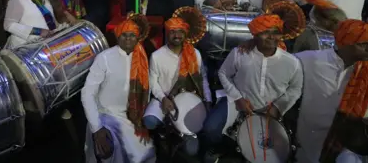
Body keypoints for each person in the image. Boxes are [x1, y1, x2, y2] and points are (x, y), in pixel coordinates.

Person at [202, 13, 303, 162]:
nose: (271, 37)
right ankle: (223, 147)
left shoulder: (291, 62)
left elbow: (295, 89)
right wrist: (237, 98)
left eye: (275, 32)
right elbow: (223, 73)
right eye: (265, 32)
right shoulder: (239, 53)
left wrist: (278, 107)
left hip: (270, 110)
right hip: (238, 103)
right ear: (255, 35)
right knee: (210, 129)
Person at [295, 19, 368, 163]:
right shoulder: (308, 61)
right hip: (309, 141)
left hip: (353, 146)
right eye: (363, 44)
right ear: (345, 43)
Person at [82, 19, 155, 163]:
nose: (128, 38)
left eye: (132, 35)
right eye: (124, 35)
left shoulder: (142, 58)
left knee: (146, 154)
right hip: (106, 114)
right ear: (118, 37)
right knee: (110, 151)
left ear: (138, 37)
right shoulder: (105, 58)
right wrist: (96, 128)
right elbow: (87, 93)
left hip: (132, 117)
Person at [143, 16, 212, 156]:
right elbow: (153, 82)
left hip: (187, 99)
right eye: (173, 31)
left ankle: (180, 133)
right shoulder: (157, 56)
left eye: (180, 31)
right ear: (167, 33)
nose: (177, 35)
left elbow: (203, 79)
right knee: (149, 122)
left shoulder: (194, 54)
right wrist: (163, 99)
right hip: (164, 98)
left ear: (185, 33)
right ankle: (165, 132)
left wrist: (208, 100)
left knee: (191, 151)